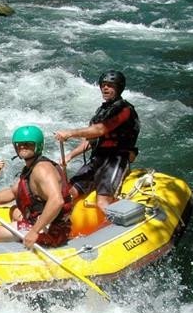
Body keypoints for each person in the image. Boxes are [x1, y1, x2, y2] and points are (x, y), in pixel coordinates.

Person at [0, 125, 72, 248]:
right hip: (42, 221)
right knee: (15, 211)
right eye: (19, 144)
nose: (22, 147)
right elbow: (12, 193)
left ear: (38, 145)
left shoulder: (42, 169)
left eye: (28, 144)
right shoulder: (31, 167)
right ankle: (16, 247)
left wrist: (34, 231)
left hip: (51, 229)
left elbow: (57, 201)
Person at [54, 70, 140, 213]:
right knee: (69, 193)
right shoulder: (102, 110)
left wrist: (70, 133)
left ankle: (113, 231)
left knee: (102, 201)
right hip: (98, 158)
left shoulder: (125, 109)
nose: (105, 88)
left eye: (110, 85)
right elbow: (91, 140)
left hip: (116, 159)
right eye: (103, 85)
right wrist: (69, 156)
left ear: (118, 88)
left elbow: (100, 130)